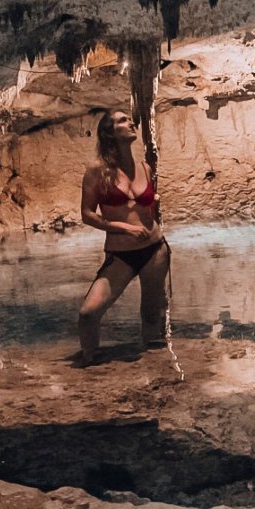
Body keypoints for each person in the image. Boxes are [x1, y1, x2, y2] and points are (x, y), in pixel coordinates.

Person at [78, 109, 170, 364]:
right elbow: (87, 214)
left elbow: (150, 206)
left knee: (152, 312)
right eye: (122, 120)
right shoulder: (97, 171)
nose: (131, 122)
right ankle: (89, 366)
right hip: (121, 254)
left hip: (155, 249)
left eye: (130, 119)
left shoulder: (145, 167)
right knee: (88, 313)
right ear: (109, 133)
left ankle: (155, 371)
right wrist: (124, 227)